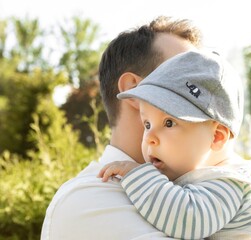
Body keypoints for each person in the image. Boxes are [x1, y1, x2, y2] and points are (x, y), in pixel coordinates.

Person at [97, 50, 251, 240]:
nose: (150, 137)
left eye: (169, 122)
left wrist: (138, 177)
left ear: (217, 137)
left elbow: (188, 220)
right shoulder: (205, 176)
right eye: (147, 123)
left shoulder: (227, 182)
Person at [41, 16, 202, 240]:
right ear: (135, 91)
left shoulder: (198, 189)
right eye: (186, 80)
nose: (206, 97)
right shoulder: (88, 202)